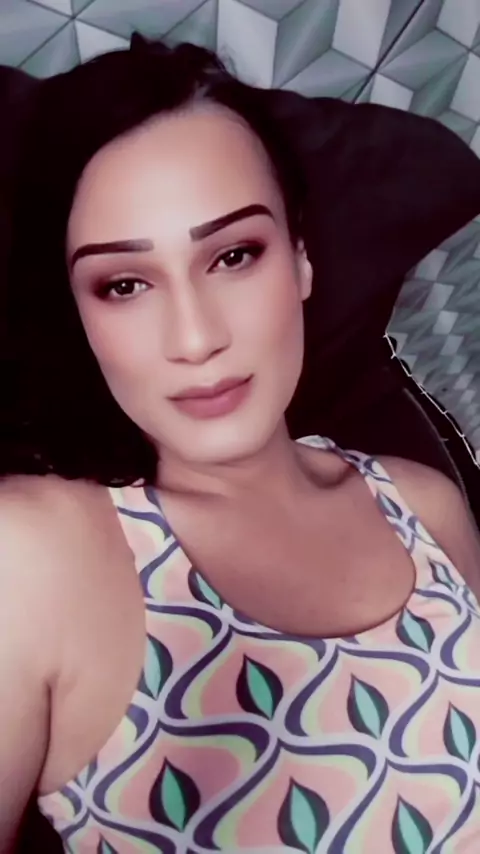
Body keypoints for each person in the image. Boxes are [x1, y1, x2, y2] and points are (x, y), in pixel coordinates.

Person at [2, 37, 480, 853]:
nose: (196, 338)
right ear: (78, 316)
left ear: (300, 261)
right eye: (124, 284)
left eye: (233, 256)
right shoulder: (31, 554)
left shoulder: (425, 502)